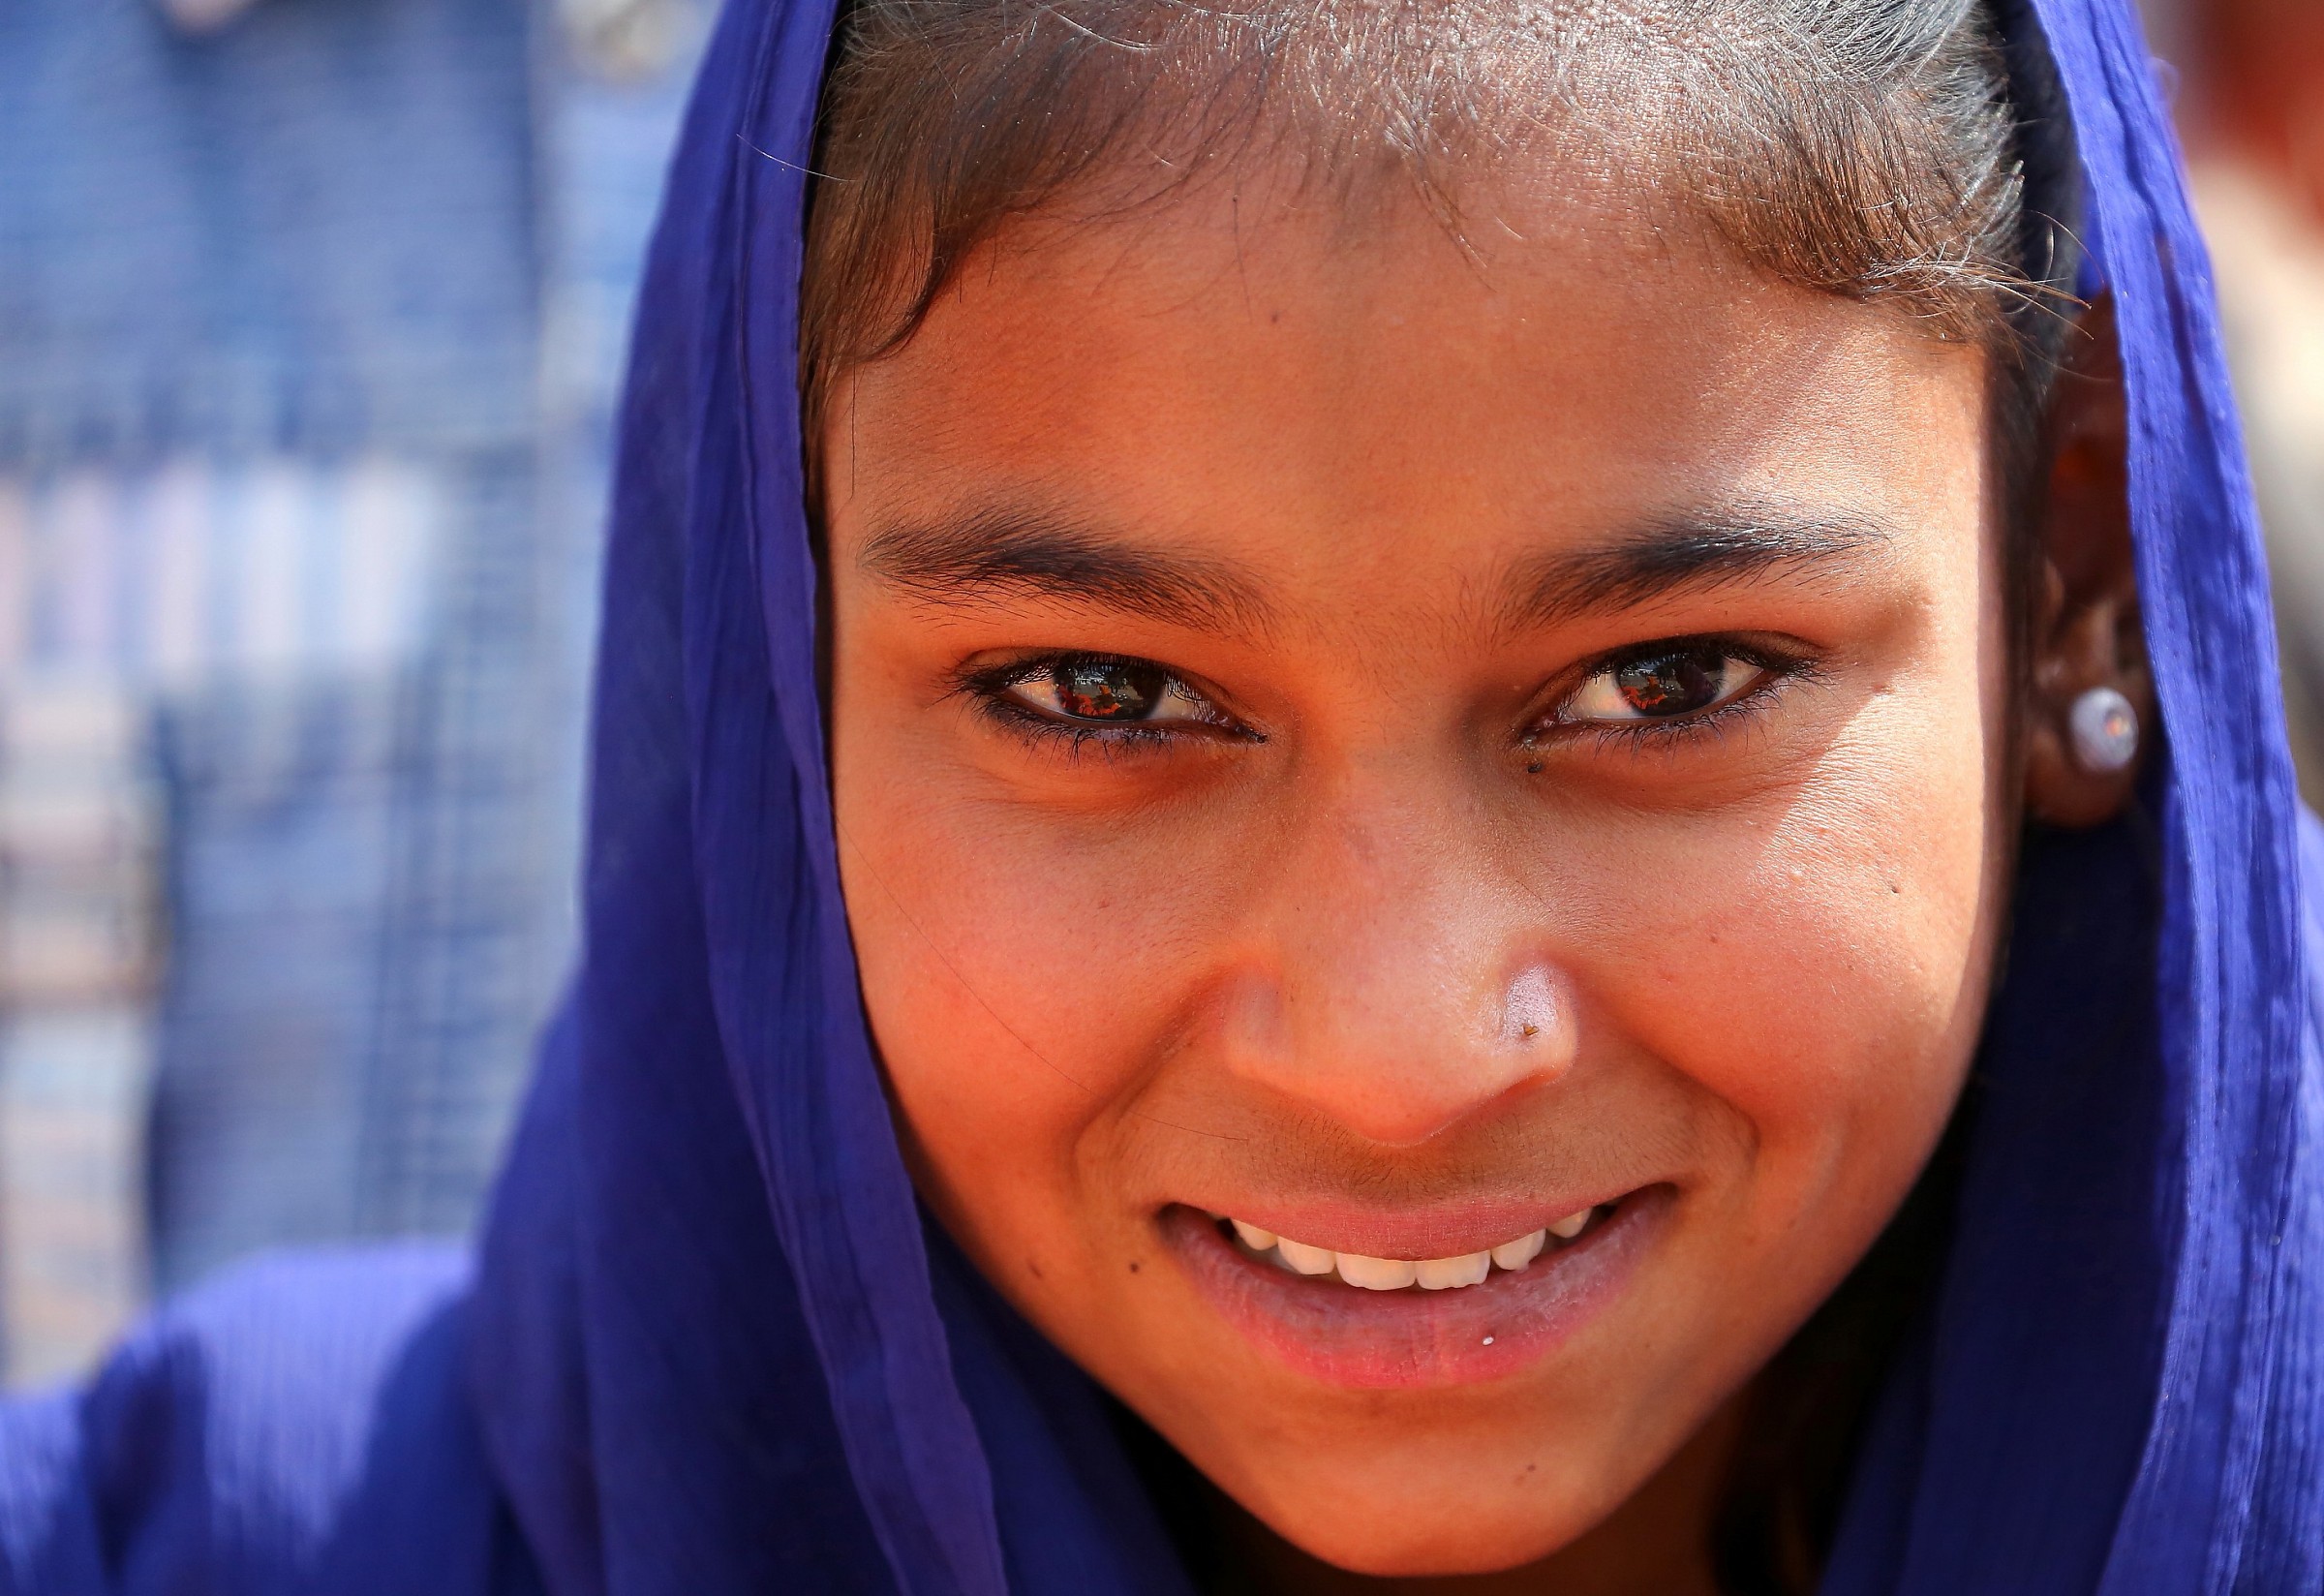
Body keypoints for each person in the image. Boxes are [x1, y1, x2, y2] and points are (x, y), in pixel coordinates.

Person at [1, 0, 2318, 1591]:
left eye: (1668, 679)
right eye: (1101, 691)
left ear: (2071, 581)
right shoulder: (208, 1538)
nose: (1399, 1053)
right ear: (766, 663)